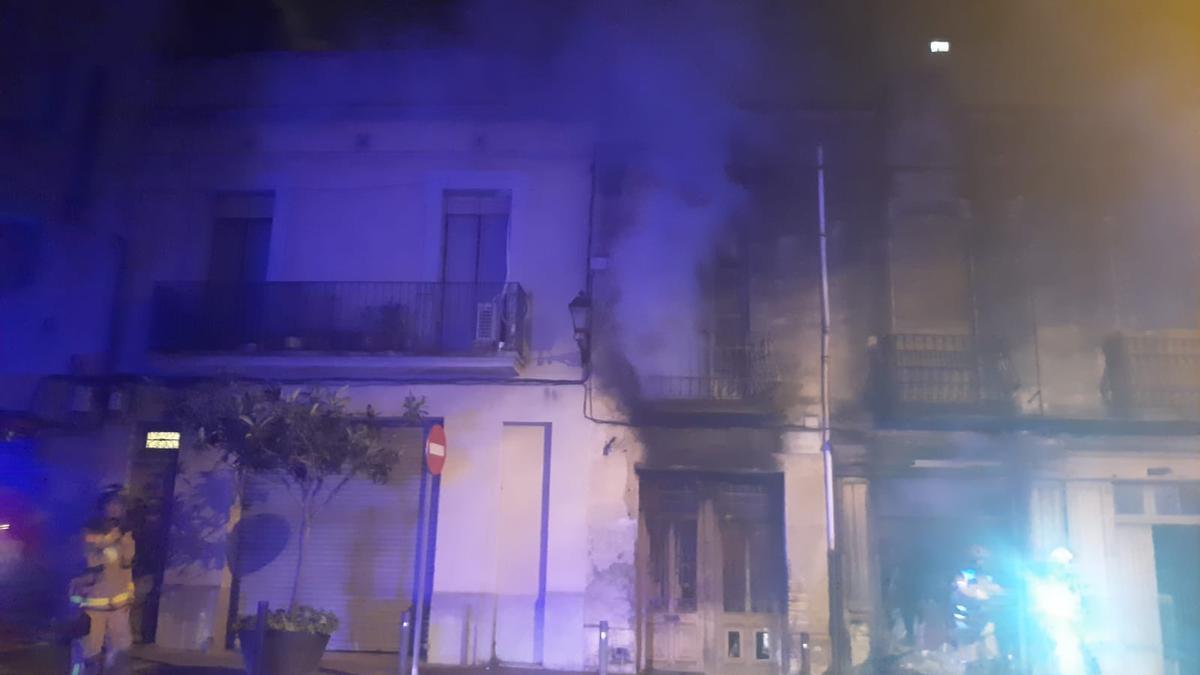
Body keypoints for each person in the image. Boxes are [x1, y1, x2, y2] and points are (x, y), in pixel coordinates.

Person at [71, 485, 136, 675]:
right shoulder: (90, 531)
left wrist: (129, 597)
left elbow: (126, 563)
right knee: (88, 655)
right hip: (91, 608)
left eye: (120, 505)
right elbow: (95, 559)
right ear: (103, 507)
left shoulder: (125, 533)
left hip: (118, 607)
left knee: (120, 654)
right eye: (112, 504)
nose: (116, 509)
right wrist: (116, 535)